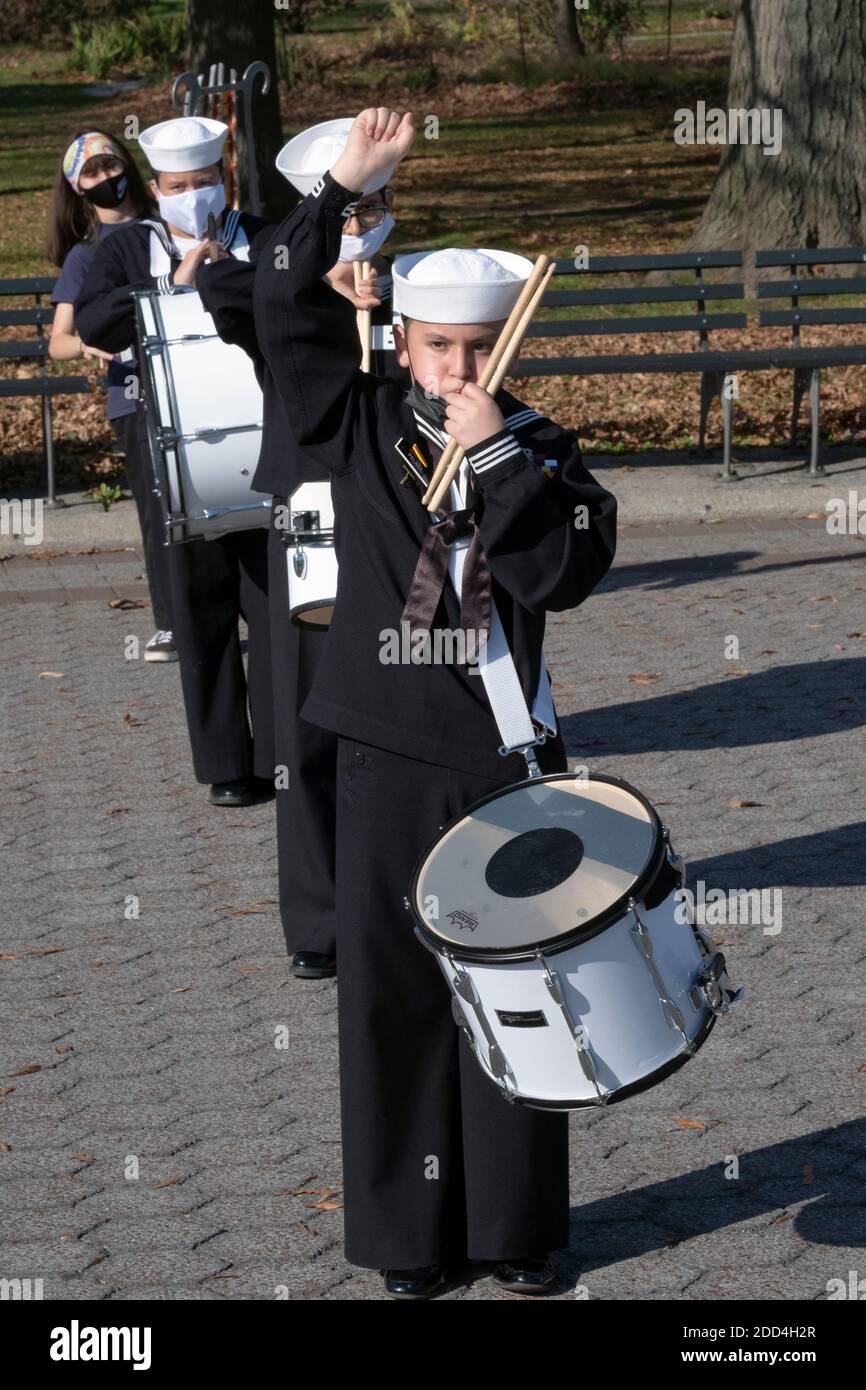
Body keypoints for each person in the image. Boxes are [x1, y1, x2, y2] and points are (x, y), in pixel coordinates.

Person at [253, 107, 618, 1297]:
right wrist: (336, 198)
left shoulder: (542, 450)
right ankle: (409, 1237)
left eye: (479, 348)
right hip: (380, 749)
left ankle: (513, 1227)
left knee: (514, 995)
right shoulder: (350, 426)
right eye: (438, 349)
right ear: (401, 343)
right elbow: (280, 312)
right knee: (395, 996)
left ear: (506, 345)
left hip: (501, 754)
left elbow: (567, 565)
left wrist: (504, 456)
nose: (460, 370)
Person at [198, 117, 408, 978]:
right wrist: (325, 244)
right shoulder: (274, 283)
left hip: (398, 522)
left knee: (399, 713)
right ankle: (321, 924)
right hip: (315, 519)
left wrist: (387, 301)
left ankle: (407, 895)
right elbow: (231, 293)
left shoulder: (409, 284)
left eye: (378, 202)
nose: (367, 221)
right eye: (353, 206)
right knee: (311, 725)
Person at [74, 116, 275, 807]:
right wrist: (171, 285)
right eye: (178, 186)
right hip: (172, 445)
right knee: (199, 607)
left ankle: (281, 753)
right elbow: (93, 322)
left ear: (224, 177)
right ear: (156, 188)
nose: (193, 195)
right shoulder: (130, 244)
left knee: (274, 603)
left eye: (205, 181)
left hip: (265, 441)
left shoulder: (260, 234)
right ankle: (227, 765)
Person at [47, 130, 174, 661]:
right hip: (135, 398)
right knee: (160, 513)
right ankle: (172, 623)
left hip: (196, 392)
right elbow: (59, 342)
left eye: (111, 165)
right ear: (78, 188)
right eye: (92, 173)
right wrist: (92, 346)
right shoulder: (85, 255)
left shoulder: (171, 227)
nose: (105, 179)